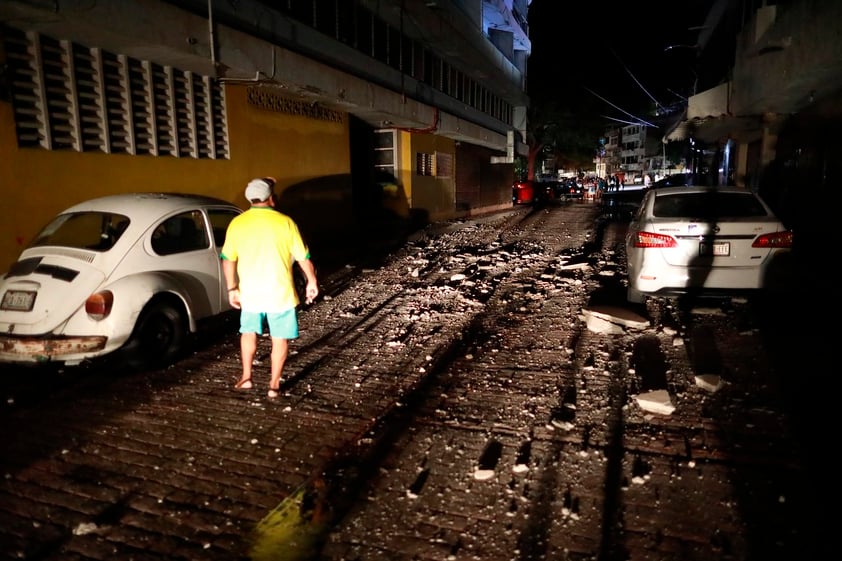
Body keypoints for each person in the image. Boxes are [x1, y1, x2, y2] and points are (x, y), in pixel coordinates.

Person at [220, 177, 319, 398]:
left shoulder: (238, 223)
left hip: (250, 293)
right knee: (279, 338)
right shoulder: (285, 222)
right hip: (280, 293)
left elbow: (228, 259)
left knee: (248, 333)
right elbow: (304, 257)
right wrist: (311, 281)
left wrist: (232, 288)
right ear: (271, 199)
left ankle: (246, 377)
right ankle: (274, 385)